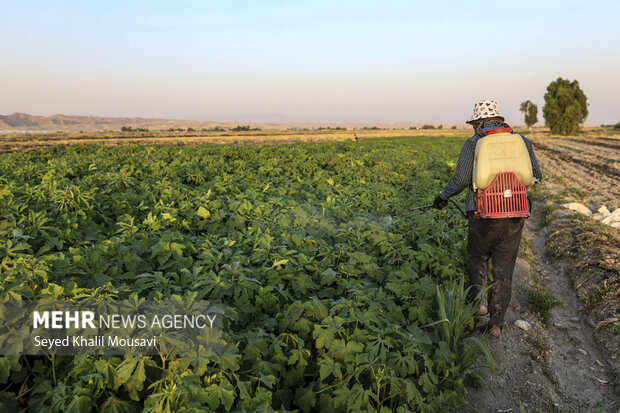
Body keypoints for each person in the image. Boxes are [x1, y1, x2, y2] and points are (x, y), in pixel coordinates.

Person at [433, 100, 542, 337]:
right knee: (504, 269)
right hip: (513, 215)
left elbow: (461, 180)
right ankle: (496, 325)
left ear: (479, 122)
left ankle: (480, 307)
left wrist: (442, 196)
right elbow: (536, 175)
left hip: (481, 215)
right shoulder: (521, 141)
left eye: (474, 123)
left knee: (478, 258)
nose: (474, 127)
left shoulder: (474, 143)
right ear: (499, 119)